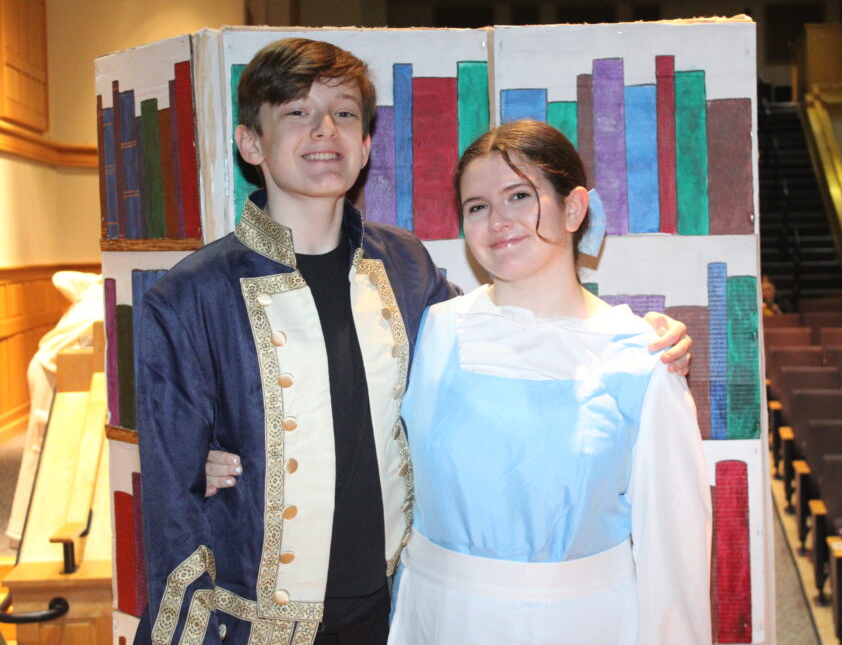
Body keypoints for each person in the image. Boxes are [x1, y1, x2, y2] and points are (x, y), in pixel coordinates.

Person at [140, 38, 692, 645]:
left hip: (394, 610)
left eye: (344, 113)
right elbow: (172, 510)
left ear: (366, 145)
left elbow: (519, 325)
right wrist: (205, 462)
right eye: (297, 111)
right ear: (251, 143)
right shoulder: (190, 297)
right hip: (252, 623)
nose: (325, 129)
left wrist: (637, 338)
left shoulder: (404, 268)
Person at [387, 121, 711, 643]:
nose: (498, 221)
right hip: (437, 619)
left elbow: (675, 553)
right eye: (477, 206)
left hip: (584, 623)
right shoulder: (430, 331)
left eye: (519, 196)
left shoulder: (643, 356)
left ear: (574, 208)